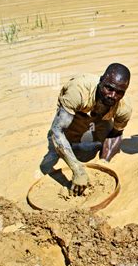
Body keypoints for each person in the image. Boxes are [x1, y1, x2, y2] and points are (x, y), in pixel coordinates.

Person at [50, 63, 132, 196]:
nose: (112, 95)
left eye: (119, 92)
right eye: (108, 88)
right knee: (68, 145)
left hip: (102, 116)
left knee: (101, 143)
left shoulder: (124, 108)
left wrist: (102, 165)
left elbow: (116, 134)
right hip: (76, 112)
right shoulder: (77, 92)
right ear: (101, 81)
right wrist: (78, 170)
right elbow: (56, 132)